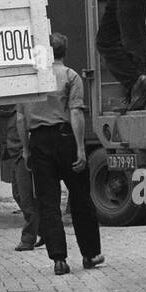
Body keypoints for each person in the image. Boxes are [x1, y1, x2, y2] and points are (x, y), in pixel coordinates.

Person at [17, 34, 101, 275]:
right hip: (65, 138)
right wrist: (80, 148)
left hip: (39, 142)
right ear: (64, 52)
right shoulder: (71, 76)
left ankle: (59, 259)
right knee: (81, 200)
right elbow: (75, 113)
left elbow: (21, 118)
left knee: (48, 203)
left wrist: (25, 149)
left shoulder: (31, 79)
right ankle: (90, 254)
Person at [0, 104, 41, 250]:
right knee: (18, 194)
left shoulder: (23, 106)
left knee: (26, 197)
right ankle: (43, 230)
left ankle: (28, 238)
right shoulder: (13, 109)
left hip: (22, 154)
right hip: (16, 153)